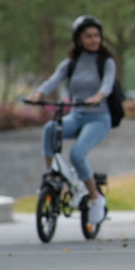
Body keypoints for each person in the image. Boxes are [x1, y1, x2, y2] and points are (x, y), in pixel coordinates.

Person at [29, 15, 114, 226]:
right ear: (78, 39)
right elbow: (54, 80)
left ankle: (95, 198)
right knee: (50, 129)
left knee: (77, 153)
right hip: (76, 115)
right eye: (88, 36)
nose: (94, 40)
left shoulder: (106, 62)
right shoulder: (71, 63)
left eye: (97, 36)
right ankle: (51, 175)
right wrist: (39, 94)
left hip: (98, 118)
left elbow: (107, 85)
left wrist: (98, 97)